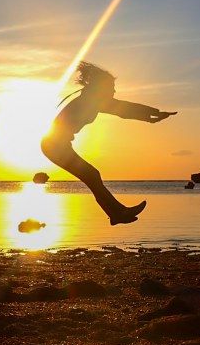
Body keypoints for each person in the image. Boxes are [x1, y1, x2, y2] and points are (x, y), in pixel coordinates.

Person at [41, 61, 177, 225]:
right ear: (101, 87)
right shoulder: (91, 101)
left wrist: (152, 115)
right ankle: (117, 214)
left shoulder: (92, 100)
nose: (114, 90)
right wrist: (153, 114)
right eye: (111, 87)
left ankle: (117, 213)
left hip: (57, 145)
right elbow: (123, 108)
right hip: (54, 145)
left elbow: (123, 110)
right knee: (92, 175)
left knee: (92, 176)